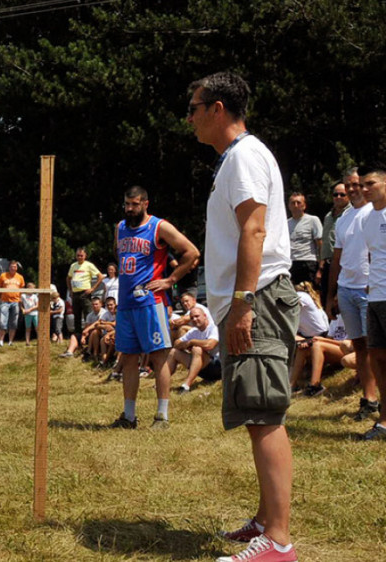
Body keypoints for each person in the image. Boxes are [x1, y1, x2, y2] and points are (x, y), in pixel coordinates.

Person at [188, 71, 299, 561]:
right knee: (255, 411)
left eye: (193, 107)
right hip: (250, 298)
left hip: (259, 299)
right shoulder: (236, 159)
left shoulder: (246, 156)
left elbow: (254, 230)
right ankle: (264, 521)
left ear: (217, 109)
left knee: (263, 414)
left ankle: (277, 542)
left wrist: (243, 303)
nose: (188, 117)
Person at [111, 185, 199, 430]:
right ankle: (128, 416)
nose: (130, 209)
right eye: (127, 204)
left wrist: (171, 280)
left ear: (146, 203)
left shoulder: (159, 227)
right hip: (127, 304)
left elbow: (192, 252)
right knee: (128, 357)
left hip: (151, 303)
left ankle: (162, 416)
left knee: (159, 358)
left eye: (135, 204)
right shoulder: (120, 228)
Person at [328, 167, 378, 421]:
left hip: (371, 289)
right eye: (347, 185)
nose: (351, 189)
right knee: (360, 346)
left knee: (376, 347)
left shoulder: (376, 212)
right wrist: (331, 293)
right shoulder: (344, 218)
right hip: (347, 289)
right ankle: (369, 399)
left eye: (355, 184)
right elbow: (337, 258)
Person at [358, 163, 386, 440]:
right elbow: (372, 256)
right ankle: (384, 421)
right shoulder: (366, 219)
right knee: (377, 357)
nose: (364, 189)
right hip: (374, 295)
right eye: (362, 185)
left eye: (371, 184)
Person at [62, 248, 103, 357]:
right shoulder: (73, 266)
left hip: (85, 294)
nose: (79, 257)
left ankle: (89, 341)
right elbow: (68, 278)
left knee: (88, 317)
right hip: (75, 294)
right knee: (76, 318)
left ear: (85, 256)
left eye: (81, 255)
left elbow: (100, 276)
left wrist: (93, 289)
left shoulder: (89, 265)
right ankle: (77, 341)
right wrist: (70, 290)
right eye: (78, 255)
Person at [169, 307, 221, 394]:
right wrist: (185, 344)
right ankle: (163, 382)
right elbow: (176, 343)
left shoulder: (214, 327)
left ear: (205, 316)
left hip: (218, 367)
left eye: (197, 316)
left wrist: (191, 342)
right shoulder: (194, 331)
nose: (194, 319)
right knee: (173, 352)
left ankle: (186, 385)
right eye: (192, 318)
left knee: (197, 349)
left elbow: (209, 345)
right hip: (203, 369)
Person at [319, 180, 351, 306]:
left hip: (343, 265)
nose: (338, 197)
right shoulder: (328, 216)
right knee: (326, 300)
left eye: (342, 195)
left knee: (341, 303)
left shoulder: (351, 214)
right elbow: (325, 241)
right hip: (328, 265)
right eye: (335, 194)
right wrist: (321, 265)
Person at [286, 192, 322, 284]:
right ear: (289, 206)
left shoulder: (313, 220)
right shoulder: (286, 223)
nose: (296, 205)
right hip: (291, 264)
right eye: (293, 203)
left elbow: (320, 244)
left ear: (304, 205)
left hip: (308, 262)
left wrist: (321, 268)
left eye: (298, 202)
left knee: (309, 294)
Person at [0, 261, 25, 346]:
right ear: (9, 267)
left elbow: (22, 289)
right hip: (5, 301)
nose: (13, 268)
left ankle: (10, 341)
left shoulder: (20, 277)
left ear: (17, 268)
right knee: (2, 321)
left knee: (13, 322)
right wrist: (0, 297)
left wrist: (20, 299)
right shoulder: (3, 276)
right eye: (12, 266)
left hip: (15, 301)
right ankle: (1, 341)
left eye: (15, 266)